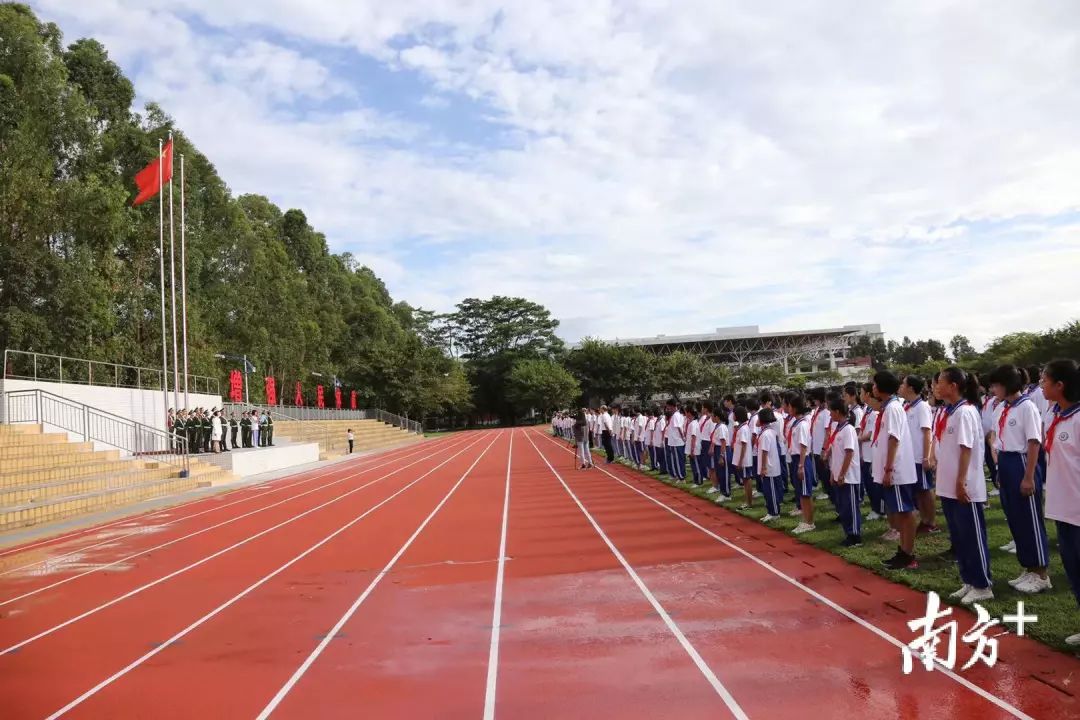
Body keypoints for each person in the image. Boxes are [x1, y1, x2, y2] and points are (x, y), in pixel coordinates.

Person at [987, 364, 1051, 594]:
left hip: (1023, 461)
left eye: (996, 385)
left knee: (1030, 518)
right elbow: (997, 437)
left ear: (1007, 385)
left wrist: (1028, 477)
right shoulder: (1002, 408)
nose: (993, 389)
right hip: (1006, 462)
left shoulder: (1027, 408)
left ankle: (1041, 572)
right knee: (1014, 517)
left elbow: (1034, 442)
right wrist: (999, 469)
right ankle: (1028, 567)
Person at [933, 366, 993, 604]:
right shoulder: (949, 411)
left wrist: (960, 482)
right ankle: (968, 580)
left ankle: (982, 584)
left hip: (964, 485)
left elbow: (966, 448)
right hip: (949, 484)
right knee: (959, 536)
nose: (936, 387)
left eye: (940, 382)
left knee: (972, 535)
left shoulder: (965, 412)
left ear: (953, 386)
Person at [1041, 359, 1080, 644]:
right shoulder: (1057, 416)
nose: (1041, 384)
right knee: (1073, 569)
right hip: (1063, 508)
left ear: (1060, 385)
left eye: (1045, 379)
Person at [872, 370, 919, 571]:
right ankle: (903, 551)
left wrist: (889, 469)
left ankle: (908, 554)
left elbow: (894, 439)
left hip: (897, 471)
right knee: (899, 511)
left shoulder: (892, 409)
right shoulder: (888, 407)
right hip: (892, 469)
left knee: (905, 512)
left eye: (874, 385)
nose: (872, 388)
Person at [901, 375, 939, 534]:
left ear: (910, 388)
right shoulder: (908, 407)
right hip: (910, 457)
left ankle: (931, 521)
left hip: (919, 456)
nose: (901, 387)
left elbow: (927, 432)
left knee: (925, 489)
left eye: (903, 384)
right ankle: (924, 519)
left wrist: (926, 456)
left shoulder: (922, 407)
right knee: (918, 491)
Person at [827, 396, 863, 547]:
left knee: (850, 506)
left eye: (831, 412)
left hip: (848, 476)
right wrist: (833, 473)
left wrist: (842, 473)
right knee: (842, 507)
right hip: (838, 474)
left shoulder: (848, 429)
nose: (830, 415)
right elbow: (836, 453)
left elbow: (849, 452)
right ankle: (848, 533)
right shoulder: (838, 428)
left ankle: (855, 535)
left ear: (837, 412)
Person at [787, 393, 816, 534]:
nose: (788, 409)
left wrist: (801, 465)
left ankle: (809, 522)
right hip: (795, 458)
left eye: (790, 407)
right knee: (801, 492)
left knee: (805, 493)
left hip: (801, 459)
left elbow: (804, 446)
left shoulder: (803, 424)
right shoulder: (796, 423)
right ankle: (805, 519)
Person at [859, 384, 884, 522]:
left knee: (874, 485)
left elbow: (871, 434)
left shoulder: (874, 413)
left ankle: (879, 509)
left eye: (862, 392)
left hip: (872, 453)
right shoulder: (868, 411)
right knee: (869, 484)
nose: (860, 395)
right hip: (866, 453)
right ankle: (875, 508)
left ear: (868, 394)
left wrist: (857, 438)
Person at [757, 407, 784, 522]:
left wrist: (763, 467)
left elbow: (765, 451)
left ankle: (774, 512)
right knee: (768, 490)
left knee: (771, 491)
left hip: (769, 467)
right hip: (770, 466)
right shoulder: (769, 432)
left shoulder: (766, 434)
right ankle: (771, 510)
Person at [733, 406, 754, 510]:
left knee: (746, 480)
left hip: (744, 460)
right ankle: (747, 501)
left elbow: (744, 445)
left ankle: (749, 503)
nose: (733, 415)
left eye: (734, 413)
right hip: (742, 459)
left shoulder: (743, 429)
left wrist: (740, 461)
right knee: (745, 480)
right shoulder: (742, 428)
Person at [708, 406, 731, 501]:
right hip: (718, 449)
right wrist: (712, 448)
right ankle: (723, 491)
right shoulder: (717, 426)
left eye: (712, 416)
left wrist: (721, 456)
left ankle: (726, 494)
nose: (711, 418)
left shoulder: (721, 427)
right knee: (719, 473)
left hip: (723, 450)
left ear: (717, 417)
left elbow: (723, 442)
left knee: (724, 473)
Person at [663, 399, 687, 482]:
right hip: (675, 441)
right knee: (678, 459)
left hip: (676, 441)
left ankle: (681, 477)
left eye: (668, 406)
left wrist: (682, 437)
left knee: (678, 460)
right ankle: (679, 476)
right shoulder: (676, 415)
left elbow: (679, 427)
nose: (667, 408)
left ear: (671, 406)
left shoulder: (676, 415)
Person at [686, 407, 702, 486]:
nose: (685, 414)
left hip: (695, 448)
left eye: (687, 412)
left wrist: (692, 449)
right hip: (692, 448)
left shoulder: (693, 424)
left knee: (696, 465)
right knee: (693, 465)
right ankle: (696, 480)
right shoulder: (692, 423)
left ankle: (698, 481)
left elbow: (693, 437)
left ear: (689, 413)